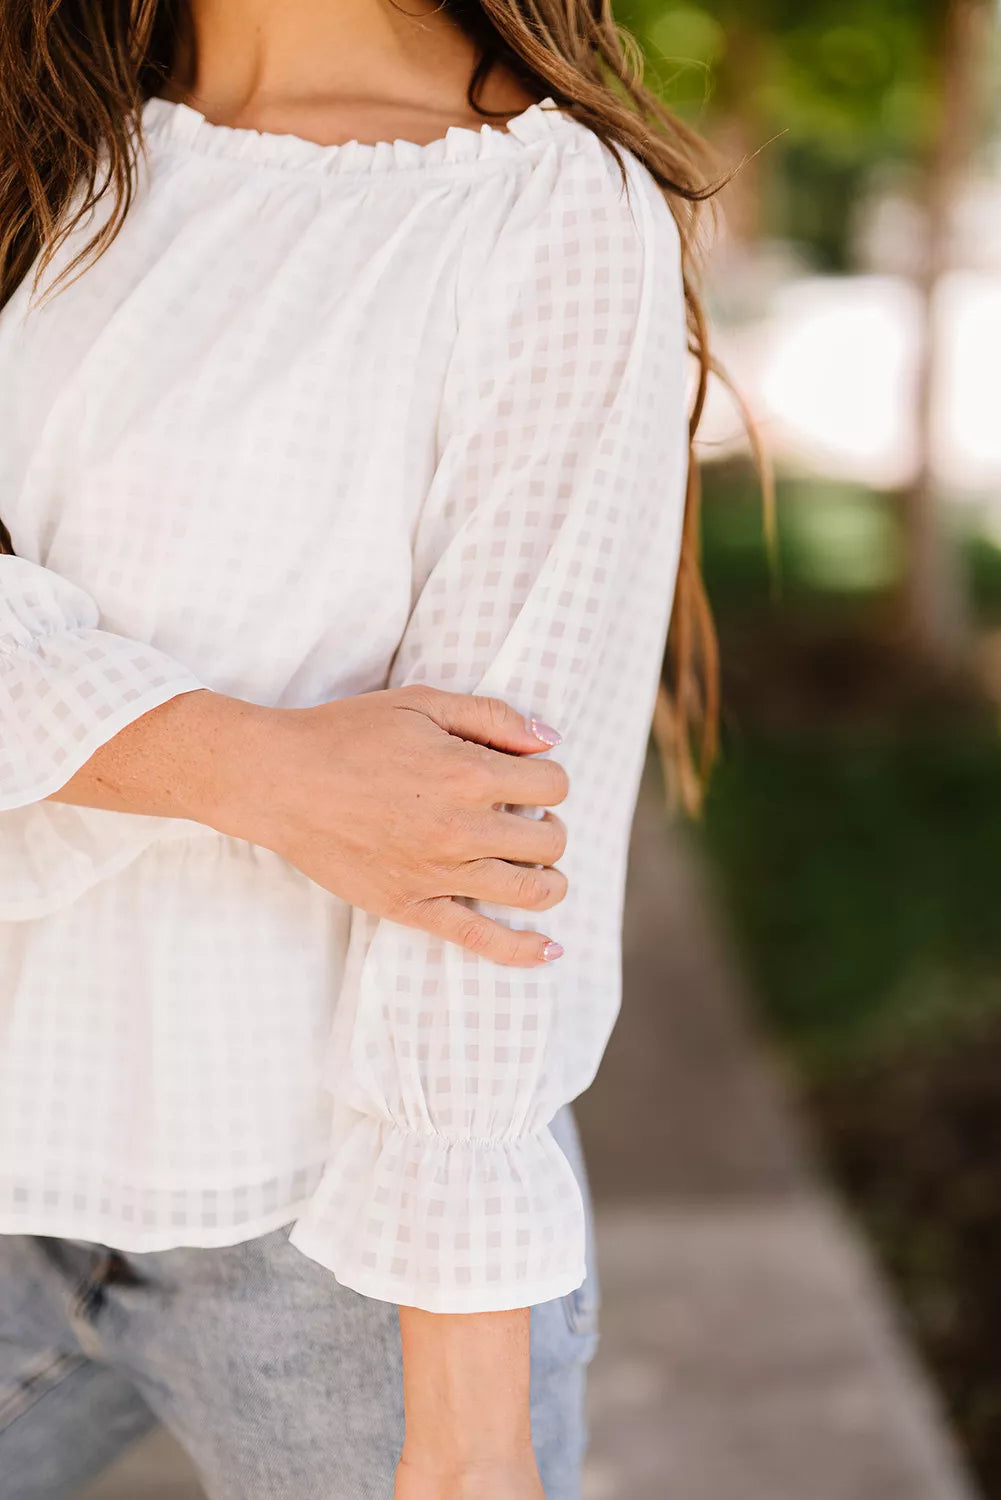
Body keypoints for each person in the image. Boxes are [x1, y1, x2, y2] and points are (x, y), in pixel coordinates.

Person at [0, 0, 715, 1494]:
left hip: (336, 1244)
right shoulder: (38, 130)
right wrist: (252, 767)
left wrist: (463, 1430)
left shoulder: (545, 216)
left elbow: (486, 856)